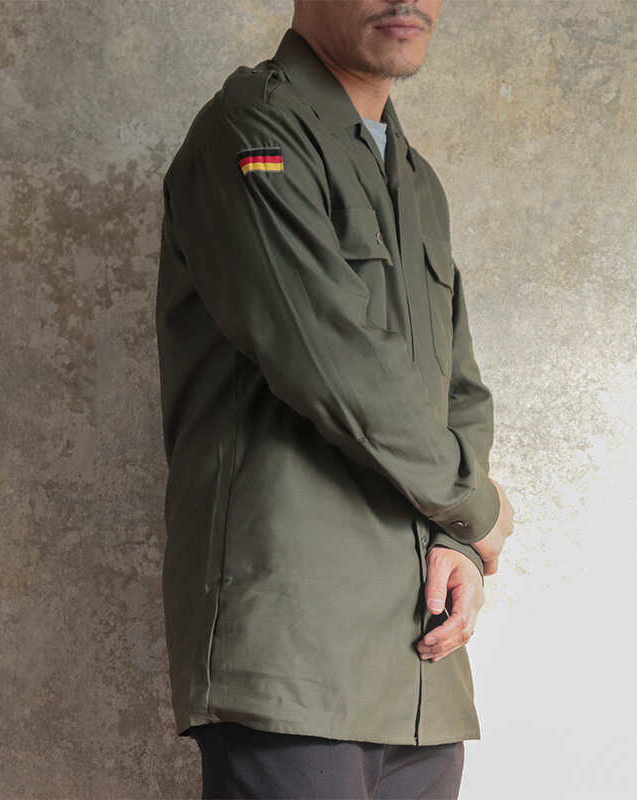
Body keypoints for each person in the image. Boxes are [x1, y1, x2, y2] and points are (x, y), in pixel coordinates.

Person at [155, 1, 515, 797]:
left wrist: (456, 541)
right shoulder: (251, 131)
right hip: (297, 650)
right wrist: (476, 508)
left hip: (419, 665)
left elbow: (458, 386)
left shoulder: (414, 178)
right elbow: (330, 360)